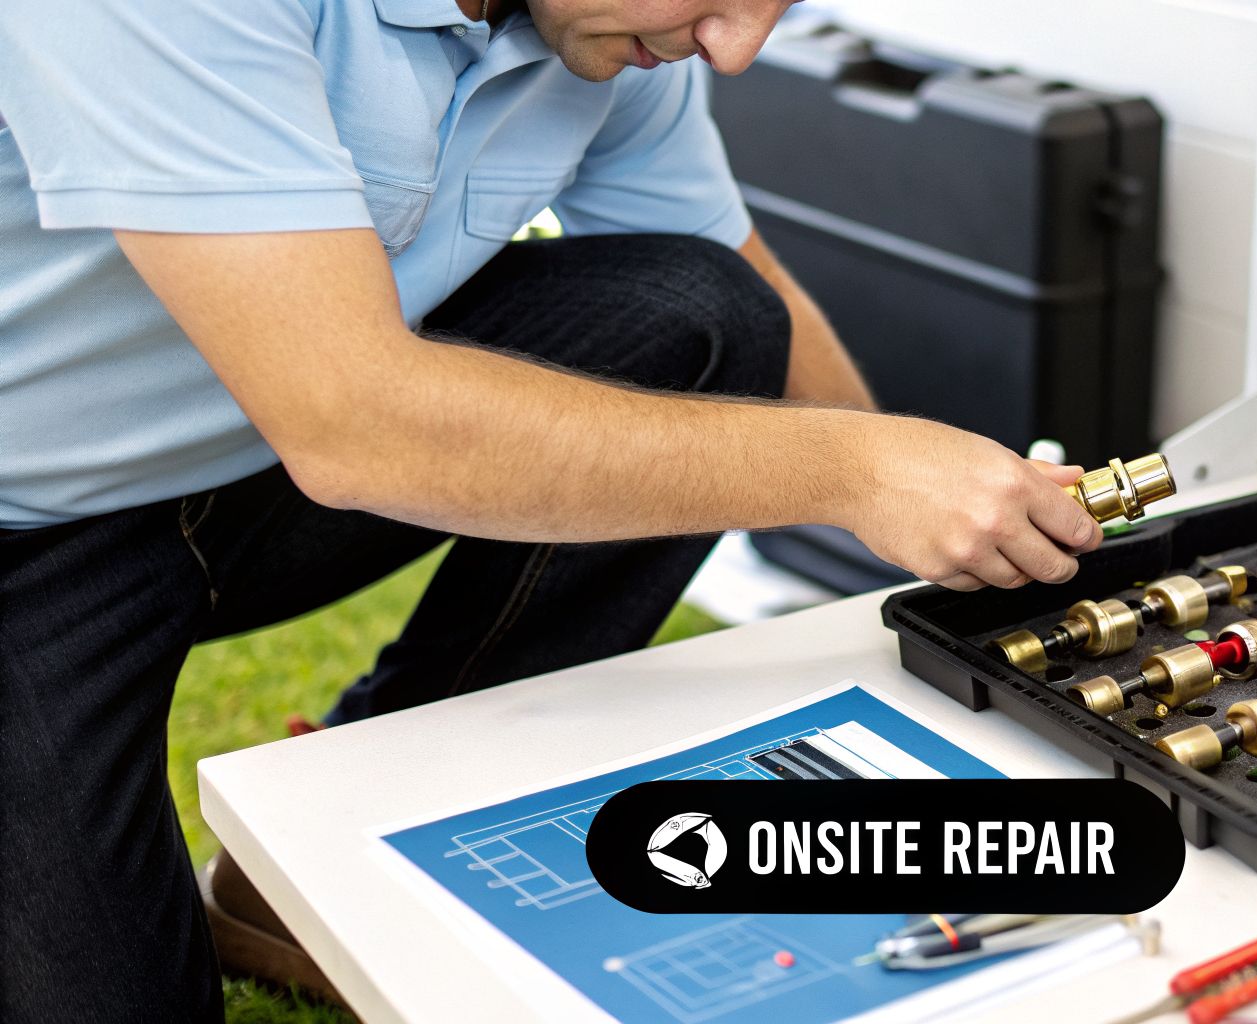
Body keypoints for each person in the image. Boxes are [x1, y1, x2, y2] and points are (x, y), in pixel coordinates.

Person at [0, 1, 1104, 1019]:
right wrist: (857, 471)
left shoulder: (602, 34)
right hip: (30, 530)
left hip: (251, 475)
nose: (735, 48)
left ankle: (334, 836)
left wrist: (955, 519)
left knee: (705, 318)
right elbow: (353, 421)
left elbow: (740, 285)